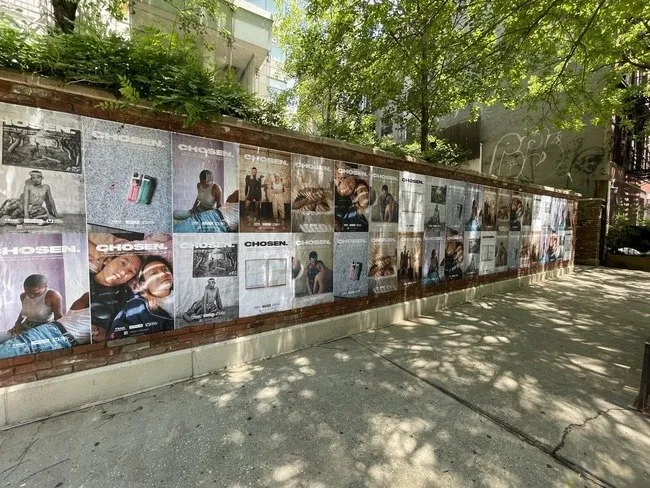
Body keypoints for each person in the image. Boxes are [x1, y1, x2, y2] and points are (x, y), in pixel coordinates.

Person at [108, 256, 174, 339]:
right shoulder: (135, 307)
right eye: (153, 273)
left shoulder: (186, 293)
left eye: (165, 270)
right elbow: (115, 335)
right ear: (144, 284)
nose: (163, 274)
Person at [0, 302, 91, 359]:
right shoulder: (90, 299)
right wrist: (18, 324)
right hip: (51, 333)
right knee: (7, 350)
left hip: (63, 341)